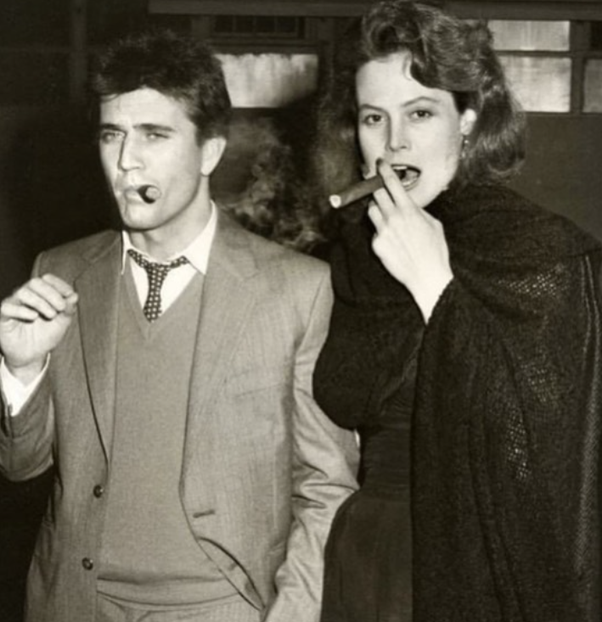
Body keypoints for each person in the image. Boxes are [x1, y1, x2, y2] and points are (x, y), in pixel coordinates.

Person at [0, 30, 359, 622]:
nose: (126, 161)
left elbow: (325, 486)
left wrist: (292, 613)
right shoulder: (59, 272)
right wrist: (22, 369)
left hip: (224, 608)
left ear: (210, 152)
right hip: (76, 602)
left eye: (154, 135)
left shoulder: (298, 290)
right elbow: (21, 465)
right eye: (112, 134)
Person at [311, 2, 602, 621]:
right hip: (368, 565)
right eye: (373, 118)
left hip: (480, 571)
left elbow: (553, 464)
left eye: (420, 113)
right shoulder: (353, 253)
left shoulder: (539, 252)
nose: (394, 141)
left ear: (467, 121)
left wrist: (435, 287)